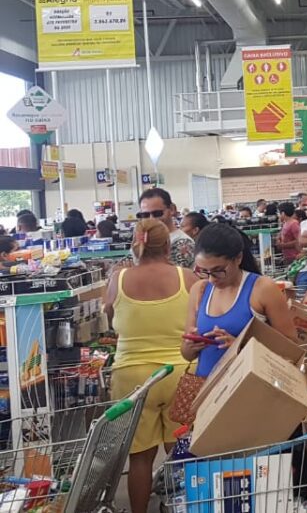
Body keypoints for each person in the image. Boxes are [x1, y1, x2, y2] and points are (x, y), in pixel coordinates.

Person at [103, 219, 189, 513]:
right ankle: (187, 505)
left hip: (132, 377)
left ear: (135, 245)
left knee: (139, 458)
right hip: (180, 372)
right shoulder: (186, 278)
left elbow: (111, 317)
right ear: (168, 246)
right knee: (183, 451)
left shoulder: (119, 278)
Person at [181, 223, 296, 378]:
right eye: (203, 271)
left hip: (249, 389)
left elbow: (292, 347)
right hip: (205, 388)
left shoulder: (262, 288)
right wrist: (190, 346)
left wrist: (241, 346)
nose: (211, 279)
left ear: (238, 258)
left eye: (218, 271)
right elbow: (187, 355)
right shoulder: (199, 289)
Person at [139, 188, 195, 269]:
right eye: (145, 215)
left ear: (172, 209)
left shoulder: (184, 243)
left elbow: (169, 275)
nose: (151, 219)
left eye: (157, 213)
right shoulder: (143, 239)